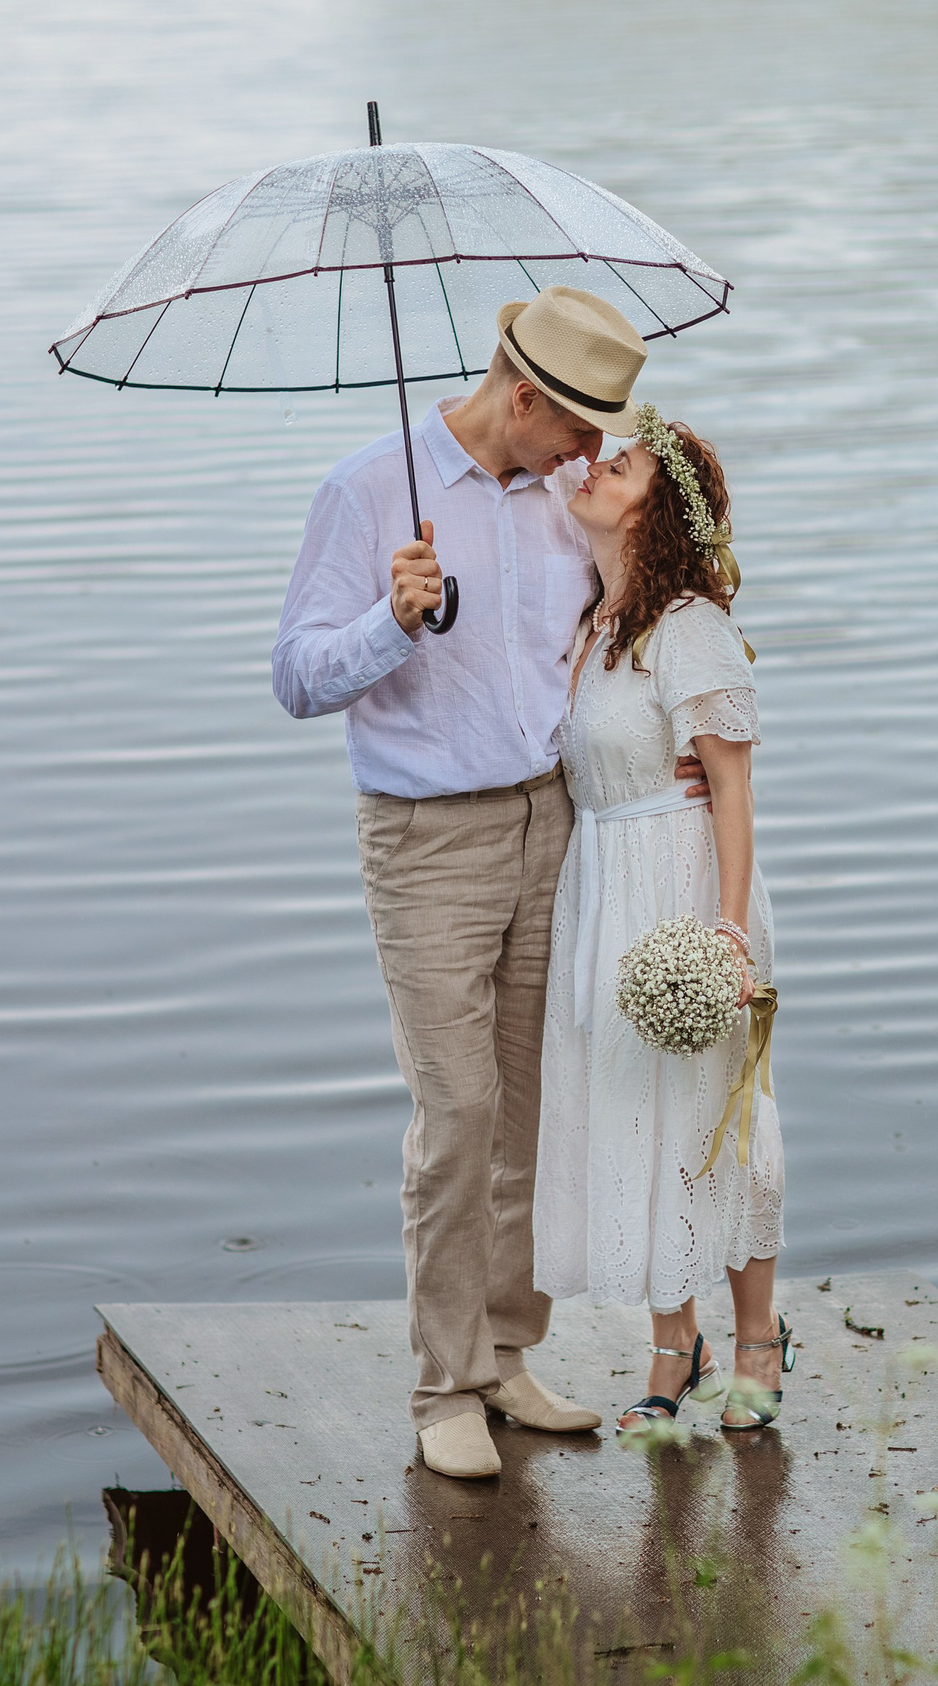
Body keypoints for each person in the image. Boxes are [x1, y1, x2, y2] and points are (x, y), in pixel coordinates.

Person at [270, 286, 702, 1480]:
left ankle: (507, 1353)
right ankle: (444, 1383)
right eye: (577, 427)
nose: (589, 452)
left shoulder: (565, 497)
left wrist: (678, 736)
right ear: (522, 399)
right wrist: (390, 620)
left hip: (556, 820)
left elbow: (619, 631)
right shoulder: (367, 491)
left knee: (532, 1107)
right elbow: (296, 677)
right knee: (458, 1110)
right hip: (427, 841)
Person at [533, 407, 790, 1433]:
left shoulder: (687, 624)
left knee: (717, 1115)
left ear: (657, 512)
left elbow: (731, 786)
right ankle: (676, 1347)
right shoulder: (593, 623)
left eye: (624, 467)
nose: (595, 470)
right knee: (635, 1111)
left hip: (683, 884)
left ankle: (758, 1340)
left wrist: (726, 931)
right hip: (602, 883)